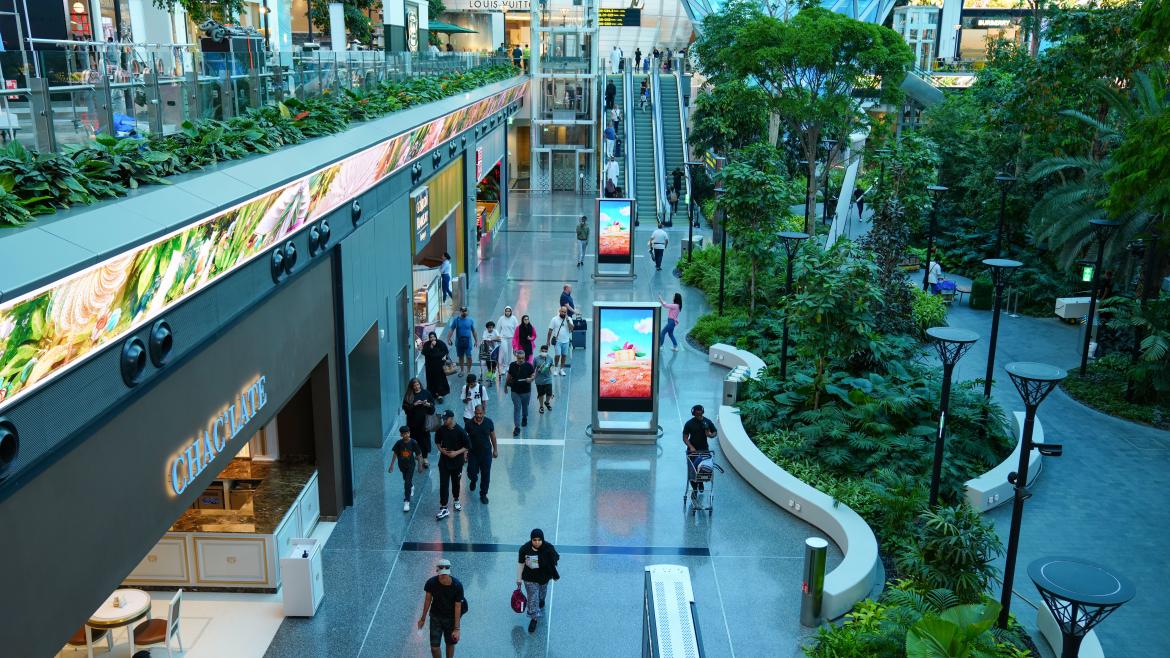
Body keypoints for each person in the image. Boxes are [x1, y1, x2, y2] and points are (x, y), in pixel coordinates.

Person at [516, 528, 560, 634]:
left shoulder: (548, 548)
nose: (537, 542)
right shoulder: (524, 549)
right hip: (529, 578)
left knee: (541, 594)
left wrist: (549, 559)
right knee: (532, 597)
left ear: (542, 539)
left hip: (544, 577)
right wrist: (519, 578)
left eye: (539, 540)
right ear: (531, 539)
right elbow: (521, 564)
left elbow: (556, 558)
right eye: (534, 540)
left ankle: (541, 600)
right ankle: (534, 618)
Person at [419, 559, 464, 658]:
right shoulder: (431, 583)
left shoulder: (457, 585)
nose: (444, 572)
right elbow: (427, 600)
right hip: (435, 618)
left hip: (450, 619)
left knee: (450, 643)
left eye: (446, 568)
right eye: (441, 568)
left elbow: (458, 606)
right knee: (434, 648)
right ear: (437, 570)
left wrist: (457, 629)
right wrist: (422, 618)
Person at [435, 410, 469, 519]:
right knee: (443, 484)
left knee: (456, 483)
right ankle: (444, 507)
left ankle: (456, 499)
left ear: (452, 418)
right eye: (443, 419)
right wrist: (441, 450)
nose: (444, 421)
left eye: (446, 419)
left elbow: (467, 446)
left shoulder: (460, 431)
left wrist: (456, 453)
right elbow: (437, 442)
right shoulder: (441, 430)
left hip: (457, 463)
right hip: (444, 462)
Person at [682, 405, 718, 497]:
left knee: (702, 469)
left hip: (704, 450)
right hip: (692, 452)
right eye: (696, 414)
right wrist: (691, 447)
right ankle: (694, 489)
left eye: (700, 414)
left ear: (702, 413)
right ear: (693, 413)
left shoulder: (707, 422)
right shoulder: (689, 423)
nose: (698, 416)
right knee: (692, 471)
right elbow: (685, 438)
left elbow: (715, 432)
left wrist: (710, 435)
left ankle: (700, 482)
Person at [465, 404, 497, 504]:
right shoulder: (469, 424)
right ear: (474, 412)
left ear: (484, 413)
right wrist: (465, 453)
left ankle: (483, 494)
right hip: (473, 453)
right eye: (477, 413)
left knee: (486, 474)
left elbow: (493, 436)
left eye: (480, 413)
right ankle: (473, 480)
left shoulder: (489, 422)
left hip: (486, 453)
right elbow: (465, 440)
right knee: (471, 472)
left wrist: (495, 450)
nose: (479, 415)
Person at [402, 378, 436, 468]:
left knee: (425, 440)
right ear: (412, 387)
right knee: (414, 440)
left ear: (420, 384)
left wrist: (428, 404)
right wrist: (414, 405)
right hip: (412, 423)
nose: (417, 387)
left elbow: (433, 407)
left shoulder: (426, 393)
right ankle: (418, 455)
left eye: (418, 384)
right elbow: (405, 409)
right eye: (414, 385)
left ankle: (425, 458)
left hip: (424, 422)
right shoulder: (409, 395)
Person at [390, 426, 423, 512]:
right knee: (406, 479)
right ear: (401, 435)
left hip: (411, 465)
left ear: (409, 433)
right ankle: (412, 486)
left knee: (407, 482)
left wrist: (420, 465)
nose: (406, 435)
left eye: (407, 433)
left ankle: (406, 501)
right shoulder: (399, 443)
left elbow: (419, 454)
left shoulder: (413, 443)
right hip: (402, 465)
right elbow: (395, 454)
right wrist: (391, 465)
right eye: (404, 434)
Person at [505, 350, 535, 436]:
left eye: (522, 358)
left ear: (524, 357)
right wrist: (505, 386)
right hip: (515, 391)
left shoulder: (529, 366)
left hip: (526, 391)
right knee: (517, 408)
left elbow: (533, 375)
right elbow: (509, 376)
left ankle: (524, 417)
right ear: (516, 357)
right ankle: (517, 427)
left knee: (525, 406)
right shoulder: (512, 365)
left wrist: (531, 379)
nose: (521, 360)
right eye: (519, 358)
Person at [447, 306, 477, 377]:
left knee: (469, 356)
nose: (464, 312)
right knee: (461, 356)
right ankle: (462, 370)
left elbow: (474, 331)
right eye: (463, 311)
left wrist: (476, 340)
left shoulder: (470, 320)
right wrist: (448, 338)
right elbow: (451, 329)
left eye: (465, 311)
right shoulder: (456, 320)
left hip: (468, 342)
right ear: (460, 312)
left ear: (467, 311)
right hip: (459, 341)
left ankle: (468, 371)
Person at [422, 331, 451, 402]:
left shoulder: (440, 343)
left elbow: (446, 351)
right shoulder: (427, 344)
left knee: (440, 380)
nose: (432, 338)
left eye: (433, 337)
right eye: (431, 337)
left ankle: (440, 395)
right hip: (430, 367)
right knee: (431, 380)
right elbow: (424, 352)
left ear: (436, 337)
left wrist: (445, 356)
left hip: (439, 367)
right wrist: (431, 347)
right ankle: (432, 394)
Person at [546, 306, 573, 376]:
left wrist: (567, 320)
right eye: (562, 311)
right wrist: (548, 341)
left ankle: (561, 369)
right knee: (557, 355)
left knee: (564, 355)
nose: (563, 313)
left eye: (565, 312)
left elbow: (572, 328)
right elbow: (550, 330)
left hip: (566, 341)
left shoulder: (569, 319)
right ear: (559, 311)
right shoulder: (554, 319)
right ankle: (555, 369)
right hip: (557, 341)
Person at [533, 344, 555, 413]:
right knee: (541, 394)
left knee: (549, 393)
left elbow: (552, 366)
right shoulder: (536, 359)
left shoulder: (550, 358)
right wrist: (534, 375)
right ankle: (541, 406)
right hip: (539, 380)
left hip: (548, 378)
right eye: (543, 351)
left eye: (545, 351)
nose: (544, 352)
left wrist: (551, 368)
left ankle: (547, 402)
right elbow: (533, 369)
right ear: (540, 351)